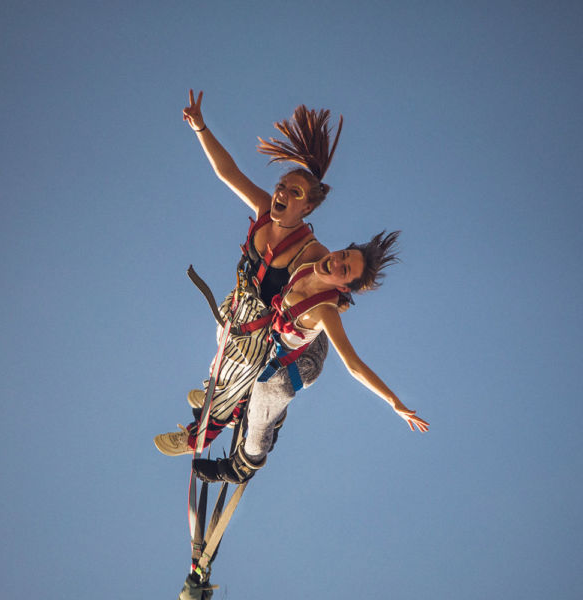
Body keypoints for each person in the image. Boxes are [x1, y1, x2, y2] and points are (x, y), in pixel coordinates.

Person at [154, 90, 343, 456]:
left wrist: (341, 291)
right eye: (281, 187)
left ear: (307, 207)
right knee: (222, 342)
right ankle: (219, 387)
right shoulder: (262, 211)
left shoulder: (311, 250)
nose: (282, 193)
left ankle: (197, 436)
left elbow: (336, 275)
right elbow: (228, 172)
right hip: (238, 304)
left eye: (294, 191)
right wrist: (201, 128)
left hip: (267, 328)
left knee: (241, 370)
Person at [192, 231, 430, 484]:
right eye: (344, 255)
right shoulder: (311, 259)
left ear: (342, 286)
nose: (336, 262)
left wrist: (395, 402)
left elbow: (354, 365)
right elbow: (285, 219)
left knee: (267, 391)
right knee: (242, 335)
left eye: (345, 269)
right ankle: (237, 402)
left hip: (301, 363)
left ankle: (241, 466)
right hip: (290, 339)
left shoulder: (326, 312)